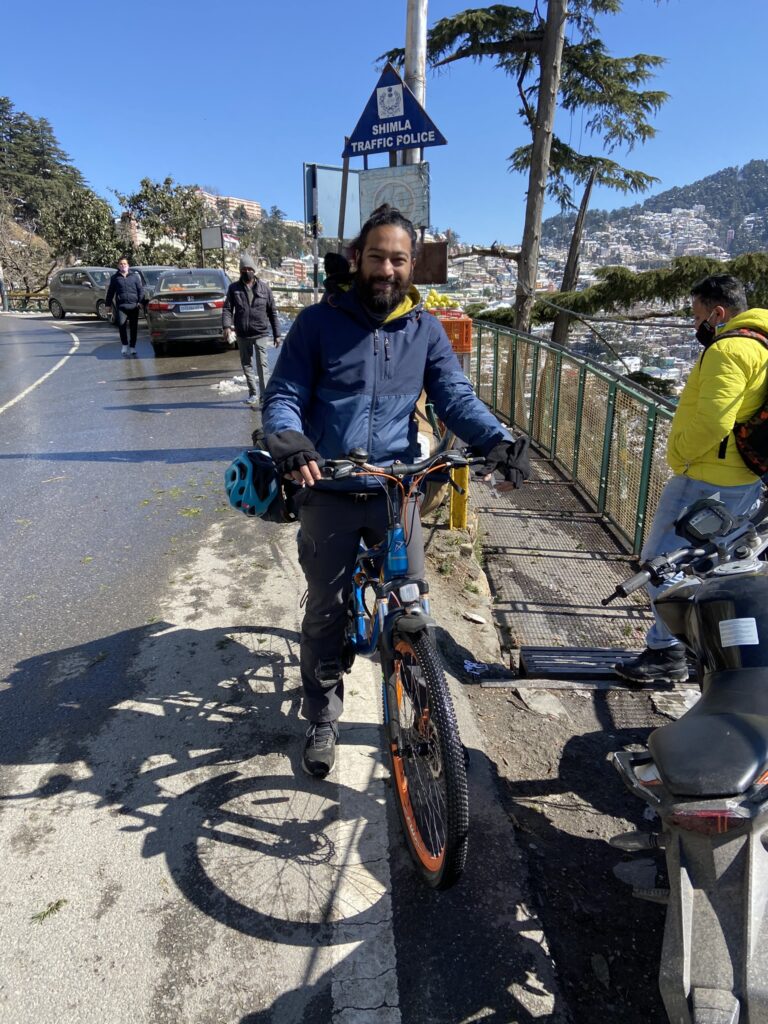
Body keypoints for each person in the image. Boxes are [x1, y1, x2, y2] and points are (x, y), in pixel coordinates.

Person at [261, 204, 531, 777]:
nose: (387, 269)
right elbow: (284, 392)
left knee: (412, 599)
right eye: (378, 256)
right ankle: (322, 715)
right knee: (327, 612)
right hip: (329, 483)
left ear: (413, 267)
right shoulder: (317, 323)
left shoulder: (424, 329)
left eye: (399, 259)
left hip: (396, 486)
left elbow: (454, 396)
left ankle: (419, 699)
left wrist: (497, 440)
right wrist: (291, 443)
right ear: (357, 259)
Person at [615, 274, 768, 685]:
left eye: (698, 314)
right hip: (746, 478)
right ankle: (709, 651)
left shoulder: (729, 350)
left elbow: (714, 421)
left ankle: (667, 653)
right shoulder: (762, 344)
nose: (695, 324)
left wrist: (679, 453)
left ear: (718, 313)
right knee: (717, 566)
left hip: (705, 479)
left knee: (660, 565)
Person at [223, 254, 281, 408]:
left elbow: (272, 312)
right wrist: (227, 326)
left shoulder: (265, 288)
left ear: (254, 270)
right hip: (242, 333)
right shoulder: (233, 288)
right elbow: (228, 309)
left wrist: (277, 334)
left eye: (249, 268)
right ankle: (253, 393)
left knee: (263, 366)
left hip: (260, 332)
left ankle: (264, 396)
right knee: (246, 364)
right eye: (243, 269)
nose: (246, 271)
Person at [106, 257, 145, 357]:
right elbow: (110, 292)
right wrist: (108, 305)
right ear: (118, 266)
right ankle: (124, 345)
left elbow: (140, 290)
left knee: (133, 328)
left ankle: (132, 347)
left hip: (134, 306)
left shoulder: (135, 277)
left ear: (128, 265)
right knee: (122, 326)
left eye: (125, 264)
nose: (123, 266)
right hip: (121, 306)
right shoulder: (115, 278)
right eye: (121, 264)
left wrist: (140, 302)